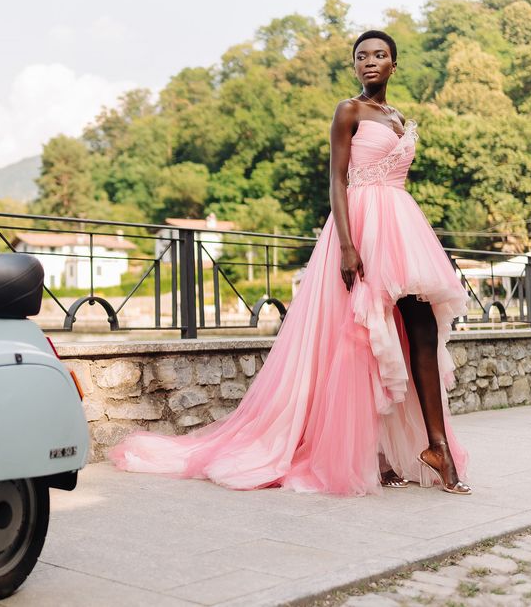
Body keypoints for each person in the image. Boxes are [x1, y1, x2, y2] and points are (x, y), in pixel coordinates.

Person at [110, 30, 471, 496]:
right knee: (363, 340)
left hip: (402, 229)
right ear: (354, 64)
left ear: (394, 65)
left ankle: (437, 445)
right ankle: (373, 454)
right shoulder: (349, 111)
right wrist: (346, 244)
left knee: (419, 331)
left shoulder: (397, 117)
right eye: (361, 56)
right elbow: (337, 181)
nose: (370, 62)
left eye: (380, 55)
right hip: (361, 227)